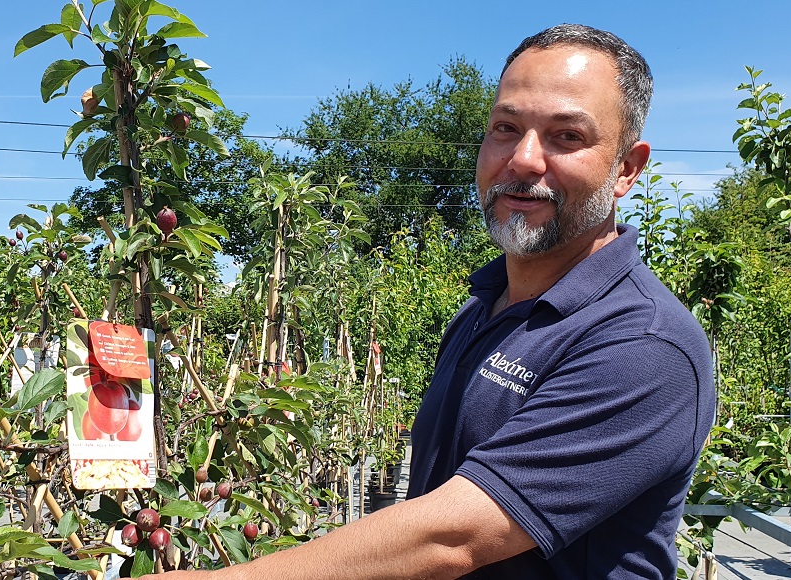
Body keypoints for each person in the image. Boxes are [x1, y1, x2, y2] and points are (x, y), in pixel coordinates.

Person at [138, 23, 715, 580]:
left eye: (568, 136)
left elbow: (451, 538)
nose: (523, 160)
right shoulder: (480, 309)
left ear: (627, 169)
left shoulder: (645, 343)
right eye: (505, 128)